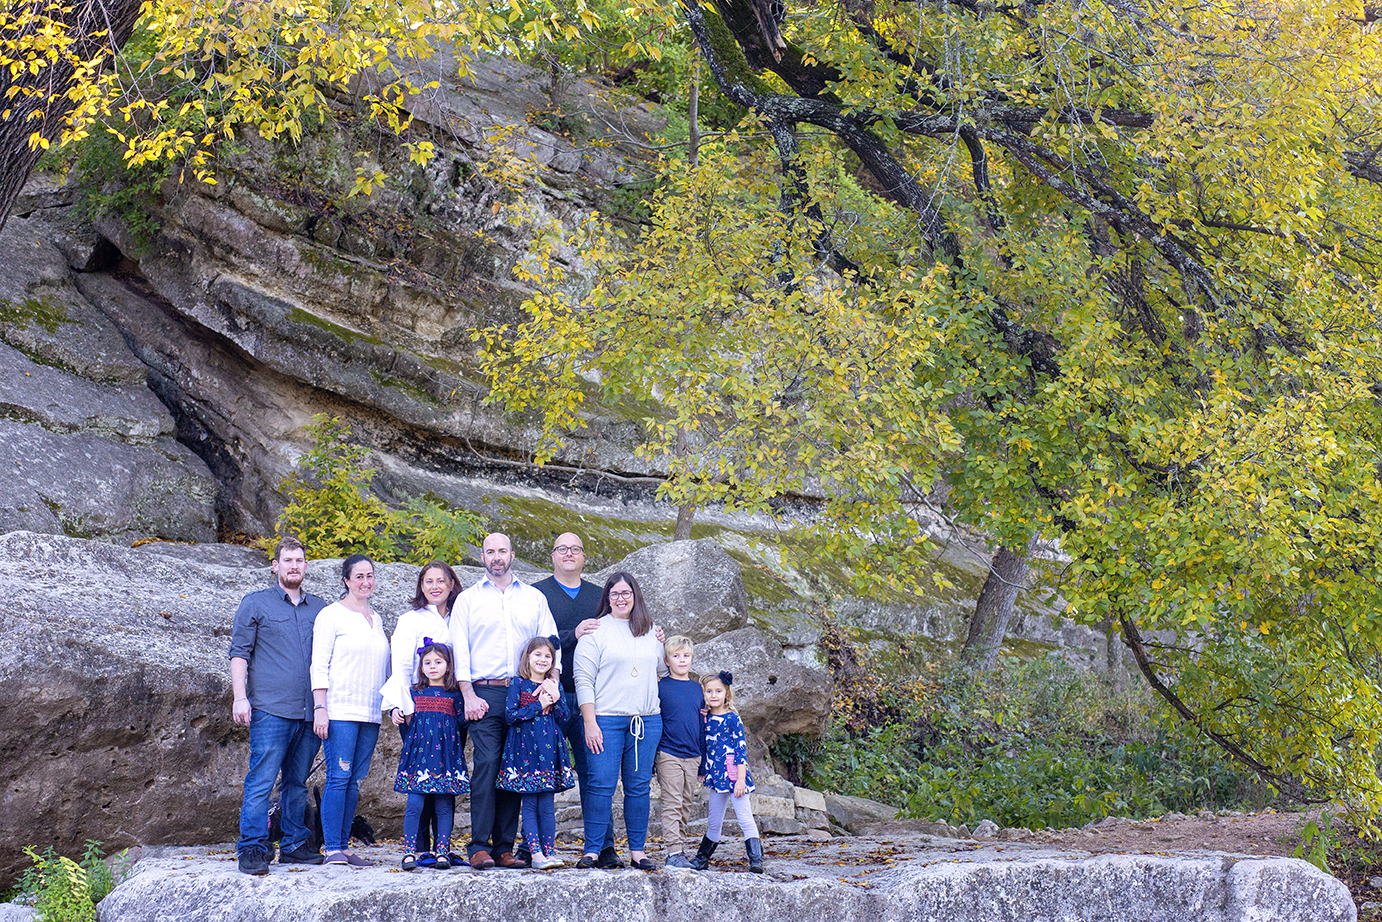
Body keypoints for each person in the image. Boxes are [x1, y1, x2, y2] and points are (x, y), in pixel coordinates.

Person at [451, 532, 560, 869]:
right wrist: (468, 694)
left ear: (512, 555)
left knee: (516, 766)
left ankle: (504, 847)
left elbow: (551, 644)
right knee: (486, 763)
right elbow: (460, 650)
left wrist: (552, 683)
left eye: (501, 551)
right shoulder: (468, 600)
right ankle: (479, 846)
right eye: (489, 552)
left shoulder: (534, 598)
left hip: (526, 692)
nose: (496, 557)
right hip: (484, 693)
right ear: (482, 557)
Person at [229, 537, 329, 875]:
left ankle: (294, 844)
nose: (294, 566)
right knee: (261, 780)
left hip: (308, 711)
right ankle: (253, 847)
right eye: (288, 560)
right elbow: (239, 653)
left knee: (297, 783)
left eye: (300, 560)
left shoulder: (321, 609)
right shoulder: (255, 604)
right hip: (270, 709)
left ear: (305, 566)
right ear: (275, 566)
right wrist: (239, 697)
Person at [531, 532, 620, 867]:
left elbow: (621, 629)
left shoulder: (599, 596)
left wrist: (652, 633)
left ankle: (603, 845)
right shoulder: (537, 593)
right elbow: (532, 642)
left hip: (589, 701)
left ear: (584, 557)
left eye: (575, 549)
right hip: (546, 697)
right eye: (562, 549)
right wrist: (572, 635)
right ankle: (533, 845)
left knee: (594, 772)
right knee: (537, 771)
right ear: (552, 555)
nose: (569, 554)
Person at [573, 572, 664, 871]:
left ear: (635, 596)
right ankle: (592, 850)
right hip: (606, 721)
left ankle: (638, 851)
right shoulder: (595, 633)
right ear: (607, 598)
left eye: (626, 593)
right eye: (615, 594)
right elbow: (583, 680)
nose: (621, 598)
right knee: (601, 784)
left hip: (646, 722)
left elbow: (662, 671)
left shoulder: (650, 632)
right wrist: (590, 722)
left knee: (638, 786)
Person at [311, 553, 390, 867]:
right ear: (346, 580)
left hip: (370, 713)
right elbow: (319, 665)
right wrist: (321, 707)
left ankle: (343, 846)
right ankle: (331, 848)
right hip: (340, 711)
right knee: (339, 777)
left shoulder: (377, 618)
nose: (365, 582)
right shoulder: (331, 616)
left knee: (355, 780)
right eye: (359, 576)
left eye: (370, 576)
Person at [382, 561, 462, 864]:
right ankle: (418, 847)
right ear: (421, 586)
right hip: (417, 709)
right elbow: (401, 665)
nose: (435, 586)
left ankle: (442, 848)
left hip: (450, 706)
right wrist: (399, 705)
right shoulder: (410, 620)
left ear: (452, 584)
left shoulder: (460, 617)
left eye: (441, 580)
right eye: (428, 581)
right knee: (421, 780)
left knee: (444, 780)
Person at [499, 636, 575, 870]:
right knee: (530, 804)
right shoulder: (518, 684)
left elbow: (564, 720)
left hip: (549, 749)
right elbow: (511, 716)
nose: (543, 659)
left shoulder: (555, 685)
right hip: (525, 750)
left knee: (547, 805)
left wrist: (557, 698)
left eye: (548, 656)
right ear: (528, 657)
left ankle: (549, 851)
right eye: (538, 654)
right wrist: (538, 705)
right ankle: (535, 853)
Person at [392, 641, 469, 871]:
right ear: (421, 667)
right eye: (427, 663)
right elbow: (402, 711)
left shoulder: (455, 695)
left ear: (448, 665)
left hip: (446, 758)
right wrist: (394, 710)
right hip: (420, 758)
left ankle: (442, 851)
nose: (432, 666)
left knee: (444, 805)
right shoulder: (414, 692)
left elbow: (463, 720)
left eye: (438, 662)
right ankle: (409, 852)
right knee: (414, 803)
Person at [692, 670, 763, 873]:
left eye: (718, 691)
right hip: (716, 778)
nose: (714, 695)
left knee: (744, 818)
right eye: (709, 691)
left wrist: (741, 779)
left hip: (734, 776)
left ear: (726, 693)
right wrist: (703, 769)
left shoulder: (733, 719)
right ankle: (701, 858)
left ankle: (756, 859)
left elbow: (740, 748)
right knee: (714, 822)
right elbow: (704, 746)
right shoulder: (704, 718)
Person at [655, 635, 704, 868]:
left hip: (693, 755)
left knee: (686, 803)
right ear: (666, 660)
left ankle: (680, 851)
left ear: (692, 659)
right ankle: (674, 851)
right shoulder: (660, 687)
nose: (681, 660)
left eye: (686, 656)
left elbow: (703, 725)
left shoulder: (698, 690)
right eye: (676, 656)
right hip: (669, 753)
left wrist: (703, 762)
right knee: (672, 802)